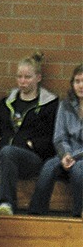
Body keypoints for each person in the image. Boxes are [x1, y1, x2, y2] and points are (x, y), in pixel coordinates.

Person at [0, 51, 58, 215]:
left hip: (31, 159)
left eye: (27, 77)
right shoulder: (7, 102)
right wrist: (2, 141)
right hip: (3, 155)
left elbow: (49, 140)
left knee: (9, 151)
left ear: (38, 78)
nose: (22, 81)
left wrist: (27, 144)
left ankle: (6, 202)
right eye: (19, 77)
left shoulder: (49, 104)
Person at [29, 64, 83, 217]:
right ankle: (36, 213)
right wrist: (65, 154)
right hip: (66, 154)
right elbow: (59, 136)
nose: (81, 85)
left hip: (81, 157)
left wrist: (75, 156)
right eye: (77, 81)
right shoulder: (65, 105)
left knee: (79, 170)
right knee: (48, 166)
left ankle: (78, 215)